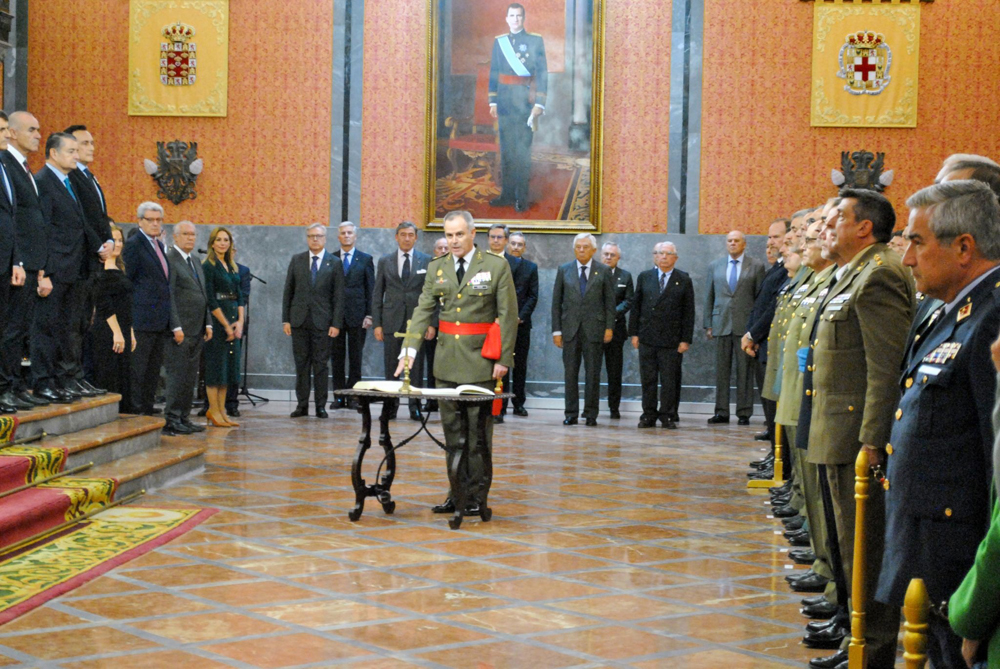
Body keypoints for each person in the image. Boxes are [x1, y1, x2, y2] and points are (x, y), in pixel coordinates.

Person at [873, 181, 1000, 667]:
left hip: (962, 554)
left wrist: (981, 602)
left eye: (917, 242)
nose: (906, 258)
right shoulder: (947, 310)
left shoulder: (990, 318)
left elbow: (997, 462)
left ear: (963, 247)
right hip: (929, 538)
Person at [800, 189, 913, 667]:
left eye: (837, 217)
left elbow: (884, 369)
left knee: (862, 546)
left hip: (854, 434)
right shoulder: (855, 272)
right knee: (845, 542)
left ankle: (872, 645)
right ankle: (851, 628)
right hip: (833, 427)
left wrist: (872, 439)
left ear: (864, 226)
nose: (829, 226)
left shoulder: (880, 274)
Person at [394, 210, 517, 515]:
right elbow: (423, 310)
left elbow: (507, 316)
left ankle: (476, 496)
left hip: (481, 363)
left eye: (459, 234)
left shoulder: (495, 265)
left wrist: (503, 359)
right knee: (452, 433)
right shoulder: (436, 268)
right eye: (449, 235)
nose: (454, 241)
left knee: (477, 436)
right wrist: (408, 350)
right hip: (447, 362)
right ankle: (456, 491)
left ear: (473, 234)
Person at [34, 132, 104, 402]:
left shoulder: (68, 182)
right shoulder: (43, 181)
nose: (77, 155)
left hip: (74, 268)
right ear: (54, 153)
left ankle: (62, 380)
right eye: (71, 151)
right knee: (47, 328)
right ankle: (43, 381)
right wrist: (45, 272)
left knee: (66, 328)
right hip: (55, 269)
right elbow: (44, 231)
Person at [0, 112, 50, 409]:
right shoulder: (7, 163)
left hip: (20, 258)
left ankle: (13, 383)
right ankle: (6, 384)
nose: (6, 135)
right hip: (12, 259)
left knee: (17, 327)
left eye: (7, 129)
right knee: (10, 327)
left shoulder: (17, 167)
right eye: (30, 129)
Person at [65, 124, 113, 396]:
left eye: (92, 142)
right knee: (72, 323)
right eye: (84, 143)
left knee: (84, 321)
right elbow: (81, 218)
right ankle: (69, 375)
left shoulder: (89, 176)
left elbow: (99, 217)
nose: (91, 147)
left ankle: (78, 374)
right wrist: (98, 244)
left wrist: (108, 241)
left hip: (94, 259)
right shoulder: (71, 178)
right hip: (80, 259)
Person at [487, 2, 548, 213]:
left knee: (522, 151)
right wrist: (493, 100)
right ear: (506, 19)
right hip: (504, 102)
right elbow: (494, 71)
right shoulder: (500, 42)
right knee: (507, 151)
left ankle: (521, 197)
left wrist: (539, 103)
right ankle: (506, 194)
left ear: (523, 18)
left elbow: (542, 73)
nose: (515, 19)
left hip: (524, 102)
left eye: (519, 16)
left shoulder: (535, 41)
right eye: (511, 16)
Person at [552, 233, 616, 426]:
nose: (581, 250)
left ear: (594, 250)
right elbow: (556, 303)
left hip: (594, 330)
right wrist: (557, 331)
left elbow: (610, 304)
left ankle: (590, 414)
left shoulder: (604, 271)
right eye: (578, 247)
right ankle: (571, 413)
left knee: (593, 374)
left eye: (585, 246)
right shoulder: (564, 270)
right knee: (570, 373)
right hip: (569, 330)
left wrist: (609, 328)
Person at [281, 223, 344, 418]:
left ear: (325, 238)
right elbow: (288, 291)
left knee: (321, 365)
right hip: (299, 321)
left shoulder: (334, 262)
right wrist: (286, 320)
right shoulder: (297, 260)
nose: (314, 239)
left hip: (323, 323)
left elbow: (339, 296)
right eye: (311, 236)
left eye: (318, 236)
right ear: (307, 238)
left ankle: (320, 406)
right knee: (301, 365)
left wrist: (336, 323)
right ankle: (301, 405)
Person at [629, 242, 694, 430]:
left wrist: (685, 339)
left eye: (668, 253)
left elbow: (688, 312)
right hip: (647, 337)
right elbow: (636, 307)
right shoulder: (644, 277)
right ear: (654, 256)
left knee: (669, 380)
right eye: (659, 253)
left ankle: (667, 415)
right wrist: (634, 333)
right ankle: (648, 414)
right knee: (648, 379)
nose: (663, 257)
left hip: (672, 340)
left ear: (676, 257)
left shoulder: (683, 279)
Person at [703, 230, 765, 425]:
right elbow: (709, 296)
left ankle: (744, 413)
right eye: (729, 241)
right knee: (722, 371)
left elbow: (760, 299)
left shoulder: (756, 266)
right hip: (721, 323)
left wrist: (755, 329)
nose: (732, 244)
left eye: (736, 241)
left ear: (744, 244)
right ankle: (721, 411)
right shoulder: (715, 266)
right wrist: (708, 323)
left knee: (744, 371)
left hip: (745, 326)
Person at [372, 221, 432, 421]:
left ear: (416, 237)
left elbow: (431, 295)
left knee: (415, 367)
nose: (407, 238)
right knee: (391, 366)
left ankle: (414, 406)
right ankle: (391, 406)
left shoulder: (426, 260)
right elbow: (377, 293)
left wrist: (430, 322)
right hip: (391, 321)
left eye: (410, 235)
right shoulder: (385, 261)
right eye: (403, 234)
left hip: (417, 322)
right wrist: (377, 324)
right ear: (396, 237)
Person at [742, 218, 794, 442]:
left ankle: (778, 455)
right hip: (762, 341)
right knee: (768, 400)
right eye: (769, 237)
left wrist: (753, 334)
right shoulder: (779, 267)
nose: (771, 242)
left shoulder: (789, 270)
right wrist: (750, 333)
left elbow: (774, 307)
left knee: (775, 401)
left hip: (770, 340)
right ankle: (775, 451)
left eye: (776, 236)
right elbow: (760, 304)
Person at [123, 202, 173, 416]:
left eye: (158, 220)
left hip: (158, 318)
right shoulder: (134, 244)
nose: (155, 223)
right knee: (138, 369)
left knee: (153, 369)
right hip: (141, 317)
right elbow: (128, 281)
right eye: (150, 220)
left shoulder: (158, 245)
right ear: (140, 221)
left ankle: (147, 405)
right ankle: (136, 409)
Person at [163, 221, 211, 435]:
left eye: (193, 234)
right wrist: (176, 325)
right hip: (181, 329)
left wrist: (208, 322)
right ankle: (172, 418)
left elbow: (203, 294)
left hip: (197, 328)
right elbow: (169, 296)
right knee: (177, 375)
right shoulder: (170, 260)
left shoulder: (195, 261)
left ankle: (184, 416)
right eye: (185, 234)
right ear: (175, 237)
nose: (190, 238)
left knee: (190, 375)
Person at [201, 227, 245, 428]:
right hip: (218, 323)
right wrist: (226, 325)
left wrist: (240, 322)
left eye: (226, 240)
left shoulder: (231, 265)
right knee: (216, 369)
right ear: (212, 243)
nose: (222, 243)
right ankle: (214, 410)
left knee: (228, 370)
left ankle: (222, 411)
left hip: (234, 320)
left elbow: (240, 295)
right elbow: (210, 299)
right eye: (218, 239)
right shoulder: (208, 266)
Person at [92, 224, 136, 413]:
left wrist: (130, 332)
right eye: (114, 240)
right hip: (108, 329)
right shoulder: (100, 270)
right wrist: (117, 332)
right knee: (109, 372)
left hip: (123, 328)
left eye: (120, 240)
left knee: (123, 373)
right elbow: (103, 304)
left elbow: (126, 304)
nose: (118, 244)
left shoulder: (120, 268)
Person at [331, 221, 374, 409]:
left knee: (356, 357)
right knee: (337, 357)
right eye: (343, 233)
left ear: (355, 236)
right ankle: (339, 396)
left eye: (350, 232)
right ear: (338, 236)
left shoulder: (365, 259)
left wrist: (370, 315)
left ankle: (355, 396)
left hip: (358, 316)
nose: (346, 235)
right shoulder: (330, 259)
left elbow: (370, 288)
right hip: (336, 317)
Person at [487, 224, 523, 422]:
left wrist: (508, 316)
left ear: (506, 240)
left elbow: (514, 294)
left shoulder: (515, 264)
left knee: (504, 362)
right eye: (492, 237)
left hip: (506, 322)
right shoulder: (480, 260)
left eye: (499, 237)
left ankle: (500, 409)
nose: (495, 241)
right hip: (486, 323)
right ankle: (485, 405)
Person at [0, 111, 23, 413]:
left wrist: (16, 260)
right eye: (2, 129)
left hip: (5, 262)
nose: (7, 135)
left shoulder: (5, 166)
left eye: (7, 129)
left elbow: (10, 219)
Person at [505, 231, 538, 416]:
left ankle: (518, 403)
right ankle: (499, 406)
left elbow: (533, 296)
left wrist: (520, 317)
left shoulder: (531, 267)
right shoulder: (499, 264)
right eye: (513, 243)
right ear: (507, 245)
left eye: (520, 244)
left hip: (521, 324)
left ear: (524, 247)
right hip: (500, 324)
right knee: (501, 364)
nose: (516, 247)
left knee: (519, 365)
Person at [601, 242, 633, 419]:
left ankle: (614, 407)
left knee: (614, 371)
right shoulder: (594, 274)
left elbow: (628, 301)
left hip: (616, 330)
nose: (608, 257)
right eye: (605, 254)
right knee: (593, 370)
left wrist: (610, 316)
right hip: (594, 329)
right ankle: (592, 407)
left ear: (618, 258)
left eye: (612, 255)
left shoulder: (625, 276)